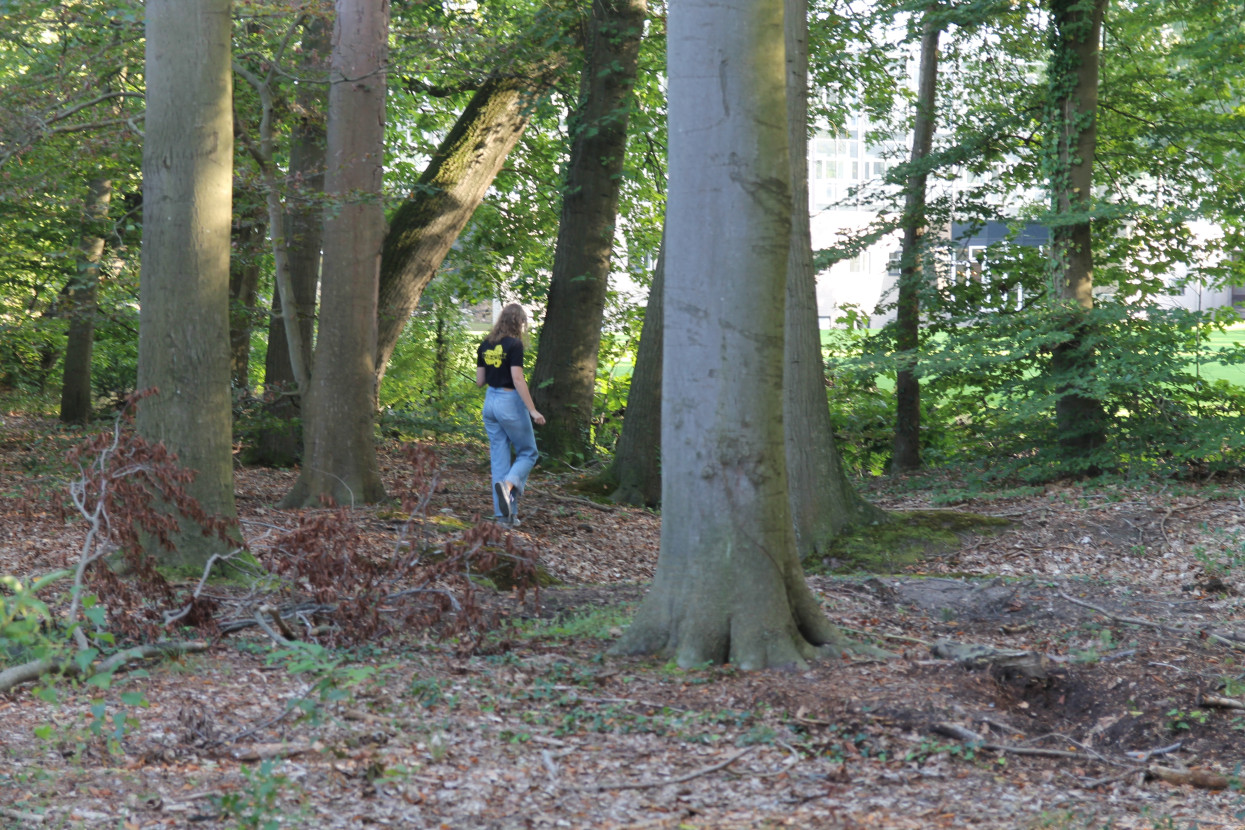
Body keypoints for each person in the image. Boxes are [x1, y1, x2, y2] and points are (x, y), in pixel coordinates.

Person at [476, 303, 545, 525]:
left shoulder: (485, 344)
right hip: (509, 402)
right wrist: (532, 410)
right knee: (528, 453)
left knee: (499, 460)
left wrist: (494, 370)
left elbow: (479, 381)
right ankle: (507, 487)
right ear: (519, 323)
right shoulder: (514, 345)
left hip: (490, 403)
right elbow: (517, 379)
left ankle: (505, 518)